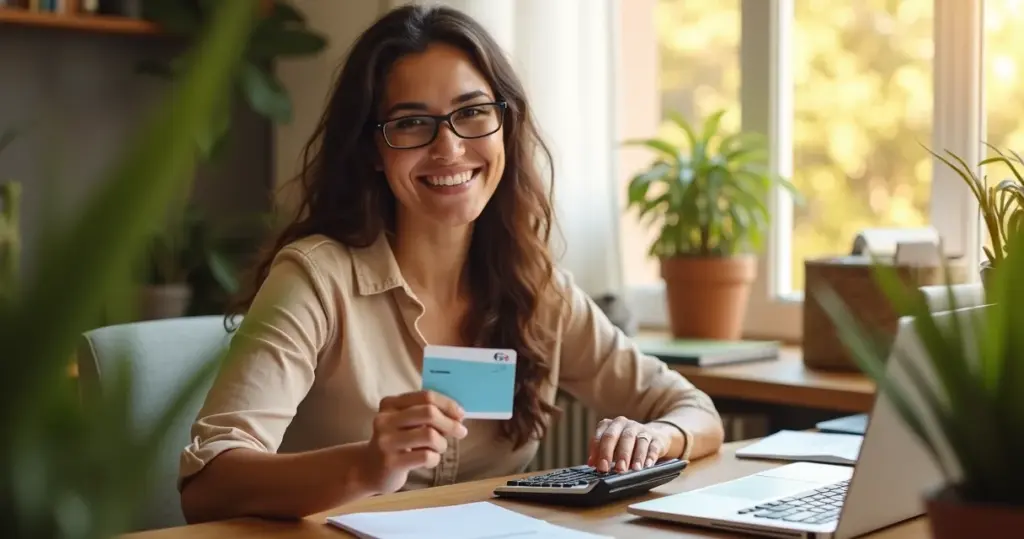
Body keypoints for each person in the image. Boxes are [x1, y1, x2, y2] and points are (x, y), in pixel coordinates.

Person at [178, 3, 724, 524]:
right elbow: (209, 485)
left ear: (504, 124)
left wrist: (658, 437)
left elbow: (690, 407)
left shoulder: (536, 287)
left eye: (472, 113)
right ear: (373, 149)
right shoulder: (315, 280)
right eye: (413, 123)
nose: (449, 148)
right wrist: (368, 464)